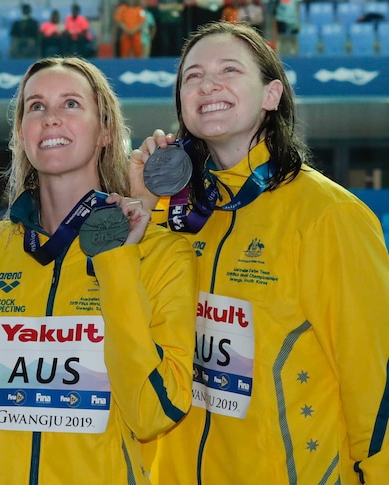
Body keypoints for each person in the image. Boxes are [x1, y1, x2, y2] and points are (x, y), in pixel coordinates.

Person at [128, 22, 389, 483]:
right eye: (192, 76)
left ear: (272, 95)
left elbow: (374, 376)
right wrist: (143, 212)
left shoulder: (328, 216)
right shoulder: (174, 214)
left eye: (229, 69)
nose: (208, 84)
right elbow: (133, 336)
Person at [0, 56, 198, 484]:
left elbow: (152, 414)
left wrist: (116, 260)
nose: (50, 119)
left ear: (105, 130)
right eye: (36, 107)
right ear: (21, 133)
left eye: (71, 104)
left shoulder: (160, 253)